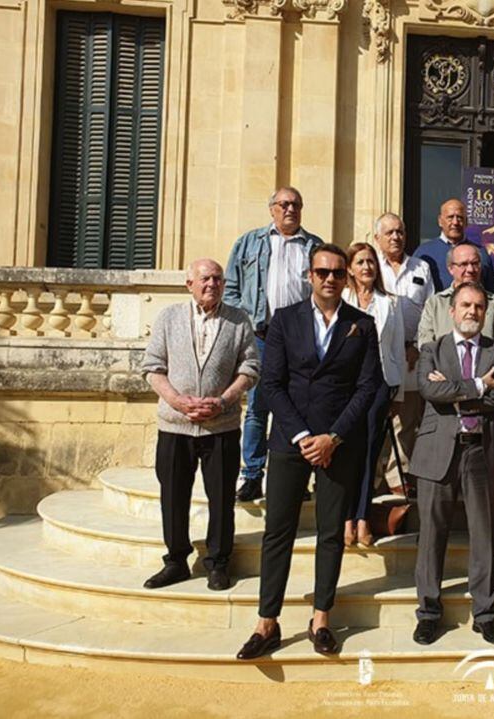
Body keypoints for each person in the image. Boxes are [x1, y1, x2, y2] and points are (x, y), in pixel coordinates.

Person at [236, 244, 383, 660]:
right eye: (323, 272)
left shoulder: (363, 325)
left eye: (338, 273)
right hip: (290, 441)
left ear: (347, 278)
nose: (330, 279)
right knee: (278, 531)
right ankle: (267, 621)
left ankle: (321, 617)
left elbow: (367, 387)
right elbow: (272, 384)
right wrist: (303, 435)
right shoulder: (284, 321)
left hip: (339, 444)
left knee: (331, 532)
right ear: (310, 275)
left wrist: (332, 438)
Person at [141, 259, 260, 591]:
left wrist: (223, 401)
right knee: (174, 496)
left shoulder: (238, 320)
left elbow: (250, 368)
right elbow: (152, 368)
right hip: (175, 426)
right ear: (189, 283)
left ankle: (219, 563)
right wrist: (178, 401)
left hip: (220, 426)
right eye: (205, 278)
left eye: (218, 279)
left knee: (221, 499)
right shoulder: (168, 318)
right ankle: (176, 560)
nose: (212, 284)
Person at [409, 282, 494, 647]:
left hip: (481, 452)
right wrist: (477, 386)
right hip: (437, 452)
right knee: (431, 536)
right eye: (465, 306)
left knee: (484, 535)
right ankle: (428, 613)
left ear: (486, 313)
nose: (472, 312)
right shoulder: (432, 350)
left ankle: (485, 614)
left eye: (479, 307)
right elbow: (428, 390)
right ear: (451, 311)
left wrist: (456, 392)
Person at [223, 187, 323, 502]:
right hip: (261, 337)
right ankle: (252, 476)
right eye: (284, 204)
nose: (290, 209)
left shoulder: (313, 246)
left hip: (301, 338)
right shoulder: (249, 242)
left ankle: (296, 476)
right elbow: (231, 287)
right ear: (272, 209)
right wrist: (245, 324)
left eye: (295, 204)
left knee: (299, 409)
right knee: (257, 408)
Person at [341, 242, 406, 547]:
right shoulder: (339, 299)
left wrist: (396, 389)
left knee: (368, 453)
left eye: (370, 262)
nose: (366, 267)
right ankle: (345, 518)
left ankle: (363, 517)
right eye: (360, 262)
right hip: (343, 388)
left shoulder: (390, 303)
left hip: (379, 385)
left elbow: (396, 350)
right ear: (350, 268)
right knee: (345, 453)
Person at [373, 212, 433, 495]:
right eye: (389, 233)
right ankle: (372, 478)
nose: (396, 237)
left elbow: (430, 311)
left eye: (400, 231)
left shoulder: (420, 267)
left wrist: (416, 345)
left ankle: (399, 478)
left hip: (411, 354)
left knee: (406, 420)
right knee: (376, 416)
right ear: (377, 238)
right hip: (377, 355)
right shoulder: (370, 266)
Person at [416, 241, 494, 354]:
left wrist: (487, 364)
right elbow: (425, 342)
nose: (470, 270)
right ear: (450, 268)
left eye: (475, 263)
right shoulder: (435, 304)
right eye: (463, 264)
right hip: (442, 370)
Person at [414, 198, 494, 295]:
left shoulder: (480, 253)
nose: (455, 222)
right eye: (450, 217)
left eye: (460, 218)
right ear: (440, 221)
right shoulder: (424, 252)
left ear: (466, 222)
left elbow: (493, 294)